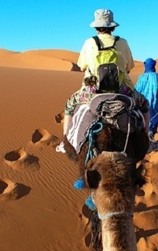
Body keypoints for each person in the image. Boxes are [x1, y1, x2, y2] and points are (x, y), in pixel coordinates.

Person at [57, 9, 149, 152]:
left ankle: (65, 142)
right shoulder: (123, 43)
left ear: (96, 26)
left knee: (69, 106)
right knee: (144, 104)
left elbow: (82, 67)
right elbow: (129, 67)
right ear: (112, 26)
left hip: (92, 91)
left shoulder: (89, 43)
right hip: (122, 90)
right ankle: (147, 141)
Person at [135, 58, 158, 152]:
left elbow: (136, 90)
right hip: (154, 101)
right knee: (153, 119)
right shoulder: (157, 76)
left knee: (144, 120)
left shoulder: (141, 77)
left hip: (142, 103)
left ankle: (146, 140)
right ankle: (150, 140)